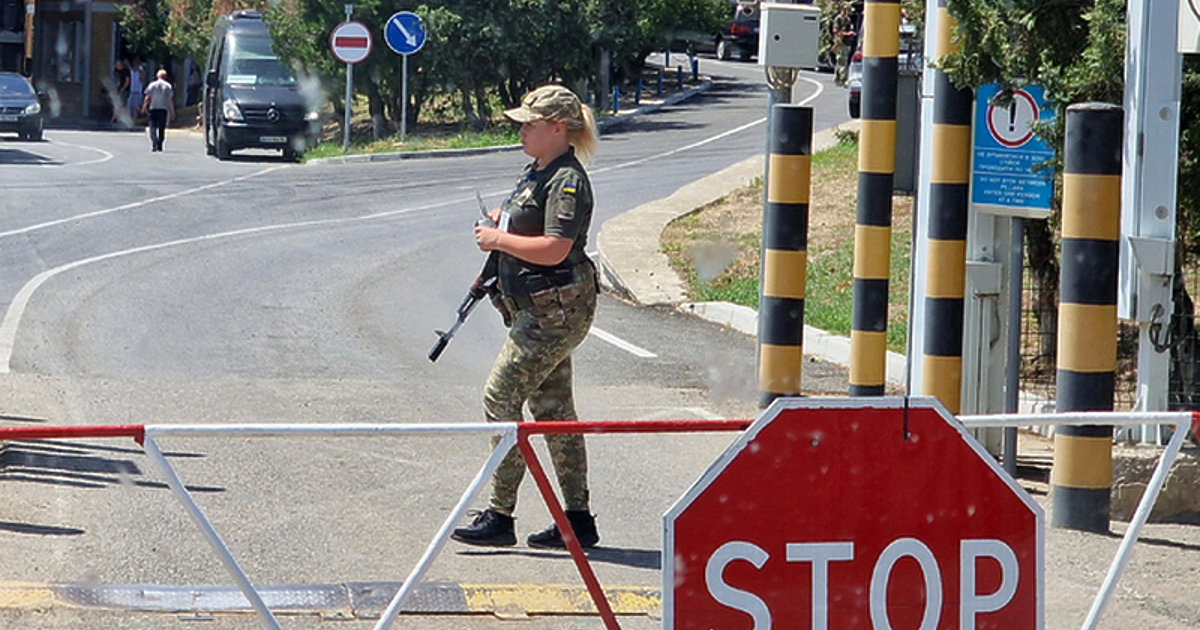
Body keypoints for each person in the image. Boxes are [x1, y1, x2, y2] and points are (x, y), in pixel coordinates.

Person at [451, 84, 602, 549]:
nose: (521, 131)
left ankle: (500, 516)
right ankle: (577, 520)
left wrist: (498, 241)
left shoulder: (567, 179)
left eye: (529, 125)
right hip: (540, 308)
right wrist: (503, 219)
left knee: (499, 400)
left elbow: (556, 247)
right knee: (554, 412)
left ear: (558, 129)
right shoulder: (540, 169)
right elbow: (530, 220)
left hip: (553, 312)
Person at [142, 69, 175, 152]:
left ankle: (154, 143)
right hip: (163, 109)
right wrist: (172, 111)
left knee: (152, 127)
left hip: (153, 108)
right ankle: (160, 144)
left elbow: (147, 98)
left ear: (157, 76)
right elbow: (170, 100)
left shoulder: (152, 85)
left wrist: (144, 107)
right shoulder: (168, 86)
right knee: (161, 127)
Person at [834, 4, 857, 87]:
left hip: (847, 42)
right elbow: (835, 31)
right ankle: (842, 79)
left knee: (843, 60)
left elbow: (851, 28)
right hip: (841, 41)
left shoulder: (848, 19)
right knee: (842, 60)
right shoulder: (839, 19)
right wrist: (846, 34)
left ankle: (838, 77)